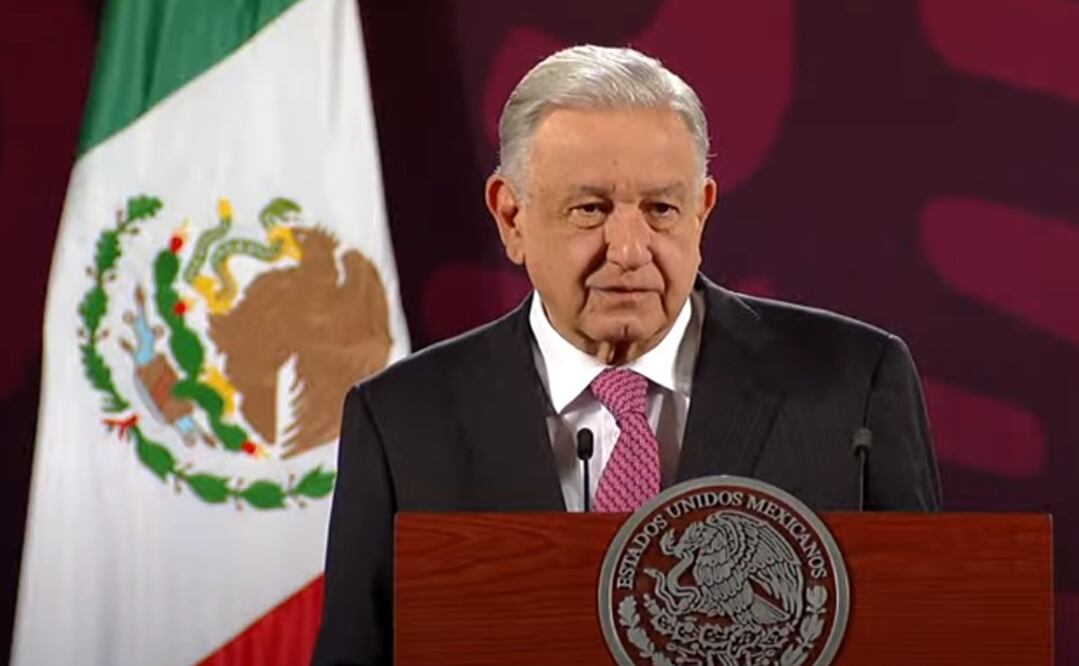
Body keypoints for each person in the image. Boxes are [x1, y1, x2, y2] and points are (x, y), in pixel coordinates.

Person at [312, 45, 940, 665]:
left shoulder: (853, 383)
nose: (630, 249)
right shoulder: (401, 420)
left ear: (702, 212)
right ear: (511, 217)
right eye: (591, 210)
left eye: (661, 209)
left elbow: (931, 636)